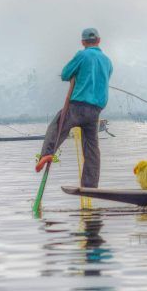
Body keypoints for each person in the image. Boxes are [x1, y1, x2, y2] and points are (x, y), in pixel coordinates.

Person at [35, 28, 113, 188]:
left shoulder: (82, 55)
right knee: (92, 147)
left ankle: (47, 154)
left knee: (57, 127)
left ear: (83, 42)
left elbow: (65, 74)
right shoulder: (107, 61)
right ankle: (90, 184)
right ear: (99, 40)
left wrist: (74, 75)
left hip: (78, 106)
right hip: (95, 109)